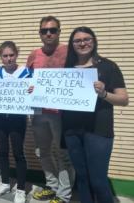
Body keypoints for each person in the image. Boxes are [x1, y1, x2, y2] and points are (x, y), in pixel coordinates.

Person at [62, 27, 128, 203]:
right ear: (72, 44)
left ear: (94, 40)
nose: (82, 43)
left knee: (98, 181)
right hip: (72, 131)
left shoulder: (108, 66)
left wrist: (104, 94)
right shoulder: (67, 68)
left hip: (99, 131)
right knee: (82, 179)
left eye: (87, 39)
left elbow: (123, 99)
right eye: (77, 40)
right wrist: (37, 91)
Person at [26, 16, 74, 203]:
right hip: (38, 112)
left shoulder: (69, 52)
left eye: (53, 30)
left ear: (59, 32)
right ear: (40, 33)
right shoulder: (34, 54)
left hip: (62, 114)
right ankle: (52, 187)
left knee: (63, 154)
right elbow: (27, 79)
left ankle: (64, 195)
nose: (48, 33)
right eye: (44, 30)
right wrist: (28, 87)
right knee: (42, 151)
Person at [0, 41, 32, 203]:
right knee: (2, 151)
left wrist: (32, 89)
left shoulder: (26, 73)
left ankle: (21, 189)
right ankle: (5, 182)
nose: (8, 59)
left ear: (17, 54)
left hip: (17, 119)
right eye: (5, 56)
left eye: (11, 55)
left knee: (18, 153)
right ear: (1, 57)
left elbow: (34, 93)